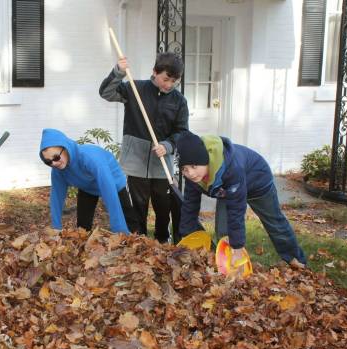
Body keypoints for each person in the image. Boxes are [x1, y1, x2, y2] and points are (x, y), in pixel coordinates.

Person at [175, 131, 307, 268]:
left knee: (274, 222)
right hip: (227, 189)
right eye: (184, 168)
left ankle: (296, 259)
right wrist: (187, 236)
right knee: (223, 229)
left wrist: (237, 247)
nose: (190, 173)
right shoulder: (192, 177)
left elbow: (236, 211)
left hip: (257, 181)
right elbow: (190, 206)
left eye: (194, 166)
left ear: (205, 160)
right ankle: (229, 267)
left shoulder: (230, 169)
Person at [99, 52, 189, 243]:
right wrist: (118, 72)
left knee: (163, 207)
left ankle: (162, 240)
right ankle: (139, 242)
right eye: (166, 79)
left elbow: (182, 132)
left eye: (174, 81)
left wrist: (168, 145)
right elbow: (106, 93)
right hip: (136, 161)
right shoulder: (135, 88)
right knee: (138, 205)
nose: (169, 85)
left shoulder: (179, 101)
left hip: (161, 164)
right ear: (155, 72)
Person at [39, 128, 140, 235]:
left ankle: (138, 241)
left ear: (66, 148)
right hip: (87, 186)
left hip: (113, 182)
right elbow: (56, 196)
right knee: (82, 227)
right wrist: (56, 226)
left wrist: (119, 229)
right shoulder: (57, 170)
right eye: (48, 161)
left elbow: (109, 192)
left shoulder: (90, 158)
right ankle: (84, 246)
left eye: (56, 157)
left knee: (128, 219)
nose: (54, 163)